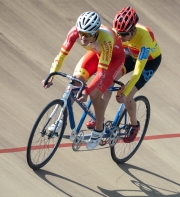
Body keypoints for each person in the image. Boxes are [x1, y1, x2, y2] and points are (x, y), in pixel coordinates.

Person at [42, 11, 125, 150]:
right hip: (95, 52)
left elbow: (101, 74)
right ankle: (61, 121)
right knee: (75, 83)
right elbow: (61, 56)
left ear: (96, 32)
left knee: (94, 94)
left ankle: (99, 129)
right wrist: (51, 75)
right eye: (81, 32)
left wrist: (86, 91)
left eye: (87, 34)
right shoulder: (75, 32)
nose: (83, 37)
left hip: (113, 60)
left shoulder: (106, 40)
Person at [86, 6, 162, 143]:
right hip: (130, 55)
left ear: (133, 31)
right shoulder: (121, 32)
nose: (120, 37)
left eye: (124, 35)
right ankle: (100, 117)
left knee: (127, 96)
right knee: (107, 81)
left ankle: (134, 125)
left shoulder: (145, 38)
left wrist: (125, 91)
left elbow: (138, 71)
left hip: (148, 62)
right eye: (118, 34)